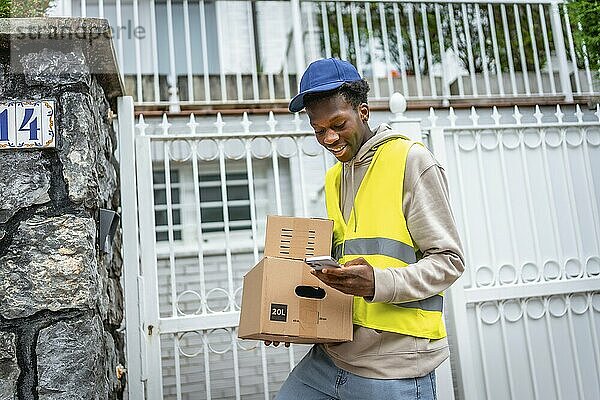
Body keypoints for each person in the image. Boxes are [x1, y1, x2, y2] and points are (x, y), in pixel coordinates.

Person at [267, 58, 465, 400]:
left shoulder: (411, 160)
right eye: (318, 129)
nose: (328, 137)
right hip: (330, 356)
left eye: (338, 124)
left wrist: (378, 282)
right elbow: (336, 266)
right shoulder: (334, 178)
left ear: (364, 111)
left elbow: (449, 262)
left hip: (393, 366)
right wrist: (288, 316)